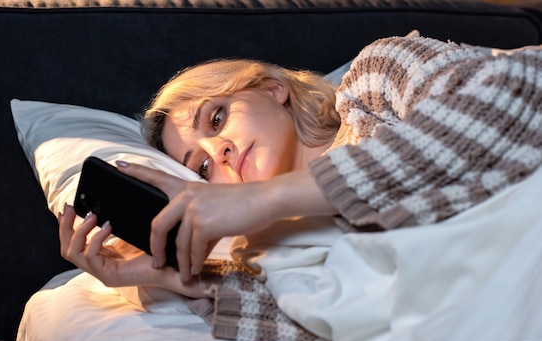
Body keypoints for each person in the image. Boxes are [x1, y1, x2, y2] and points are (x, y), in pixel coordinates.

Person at [58, 35, 542, 294]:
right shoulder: (266, 244)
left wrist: (266, 198)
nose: (219, 151)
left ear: (272, 88)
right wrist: (164, 279)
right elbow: (315, 327)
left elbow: (517, 90)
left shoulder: (374, 79)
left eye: (218, 117)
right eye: (201, 169)